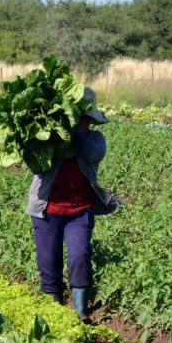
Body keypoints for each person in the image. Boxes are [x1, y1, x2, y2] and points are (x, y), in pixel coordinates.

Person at [27, 86, 120, 323]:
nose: (83, 123)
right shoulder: (50, 140)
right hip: (46, 210)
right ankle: (54, 313)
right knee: (48, 263)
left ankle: (80, 311)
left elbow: (92, 155)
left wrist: (75, 132)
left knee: (79, 256)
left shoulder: (94, 140)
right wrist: (52, 136)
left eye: (85, 119)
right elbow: (36, 166)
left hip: (79, 211)